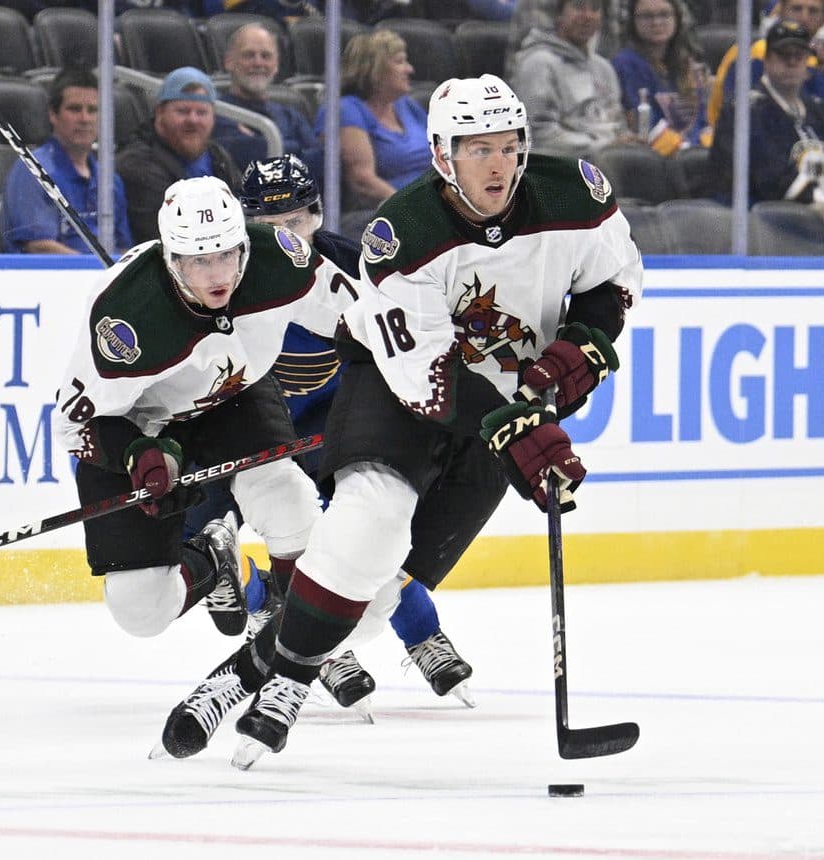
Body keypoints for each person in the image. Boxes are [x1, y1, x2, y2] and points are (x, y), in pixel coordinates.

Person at [158, 74, 643, 771]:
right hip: (397, 396)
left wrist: (574, 356)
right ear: (443, 155)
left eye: (508, 146)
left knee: (387, 588)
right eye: (478, 149)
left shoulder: (577, 195)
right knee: (367, 526)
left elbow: (610, 283)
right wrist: (520, 427)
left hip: (499, 410)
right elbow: (430, 378)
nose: (498, 164)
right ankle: (288, 687)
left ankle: (241, 674)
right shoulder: (400, 236)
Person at [184, 154, 478, 717]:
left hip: (328, 422)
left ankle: (419, 635)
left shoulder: (347, 266)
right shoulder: (221, 281)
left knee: (360, 529)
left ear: (317, 215)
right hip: (248, 427)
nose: (285, 237)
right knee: (204, 534)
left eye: (295, 222)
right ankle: (275, 613)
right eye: (269, 227)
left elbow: (394, 343)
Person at [51, 175, 355, 665]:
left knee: (292, 507)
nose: (217, 275)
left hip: (235, 398)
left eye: (225, 256)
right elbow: (72, 426)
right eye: (198, 261)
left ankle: (300, 646)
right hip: (142, 433)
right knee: (141, 612)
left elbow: (366, 320)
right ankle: (213, 559)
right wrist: (136, 452)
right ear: (172, 259)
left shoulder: (277, 256)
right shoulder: (124, 320)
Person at [710, 19, 824, 226]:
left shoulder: (815, 109)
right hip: (762, 224)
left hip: (819, 218)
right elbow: (768, 180)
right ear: (767, 60)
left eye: (799, 55)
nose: (792, 62)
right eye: (783, 55)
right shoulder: (744, 111)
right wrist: (818, 202)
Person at [0, 67, 132, 254]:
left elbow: (123, 247)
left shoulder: (110, 180)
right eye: (74, 109)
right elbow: (39, 247)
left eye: (92, 110)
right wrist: (96, 270)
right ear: (53, 115)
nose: (85, 119)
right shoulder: (34, 170)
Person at [117, 67, 242, 244]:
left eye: (202, 112)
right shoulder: (136, 164)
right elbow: (167, 235)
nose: (193, 120)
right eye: (182, 111)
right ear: (160, 113)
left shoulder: (218, 157)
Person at [706, 0, 824, 146]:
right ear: (780, 11)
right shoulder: (753, 56)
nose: (804, 18)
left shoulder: (820, 68)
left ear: (823, 19)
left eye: (813, 11)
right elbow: (735, 125)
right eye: (796, 9)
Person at [314, 30, 432, 209]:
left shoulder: (407, 105)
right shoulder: (345, 109)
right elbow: (362, 182)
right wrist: (411, 209)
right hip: (385, 214)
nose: (410, 69)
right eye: (400, 61)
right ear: (374, 69)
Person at [510, 0, 633, 161]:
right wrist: (604, 146)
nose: (588, 16)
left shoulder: (604, 68)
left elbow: (617, 124)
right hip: (561, 166)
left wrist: (630, 140)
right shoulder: (537, 63)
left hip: (611, 160)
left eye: (595, 9)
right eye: (579, 7)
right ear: (559, 14)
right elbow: (539, 135)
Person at [212, 23, 324, 181]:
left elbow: (321, 160)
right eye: (249, 55)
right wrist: (297, 149)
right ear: (228, 62)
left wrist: (269, 146)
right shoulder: (219, 114)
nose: (258, 63)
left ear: (276, 65)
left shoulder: (291, 115)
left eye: (266, 56)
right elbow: (255, 159)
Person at [611, 0, 712, 154]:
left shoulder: (688, 64)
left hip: (696, 155)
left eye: (664, 15)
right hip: (655, 158)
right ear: (633, 22)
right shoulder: (626, 64)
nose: (656, 22)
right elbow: (642, 126)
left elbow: (703, 122)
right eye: (646, 16)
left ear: (677, 18)